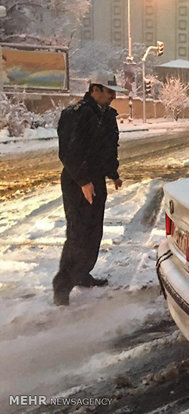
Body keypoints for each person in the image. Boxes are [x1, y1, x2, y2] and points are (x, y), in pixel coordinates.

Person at [52, 72, 126, 306]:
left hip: (95, 179)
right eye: (109, 91)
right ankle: (62, 286)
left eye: (114, 92)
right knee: (78, 232)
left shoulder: (106, 115)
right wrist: (84, 182)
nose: (113, 96)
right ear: (95, 90)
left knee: (94, 231)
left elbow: (108, 148)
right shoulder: (77, 113)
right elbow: (69, 152)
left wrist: (113, 173)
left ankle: (82, 273)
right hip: (77, 181)